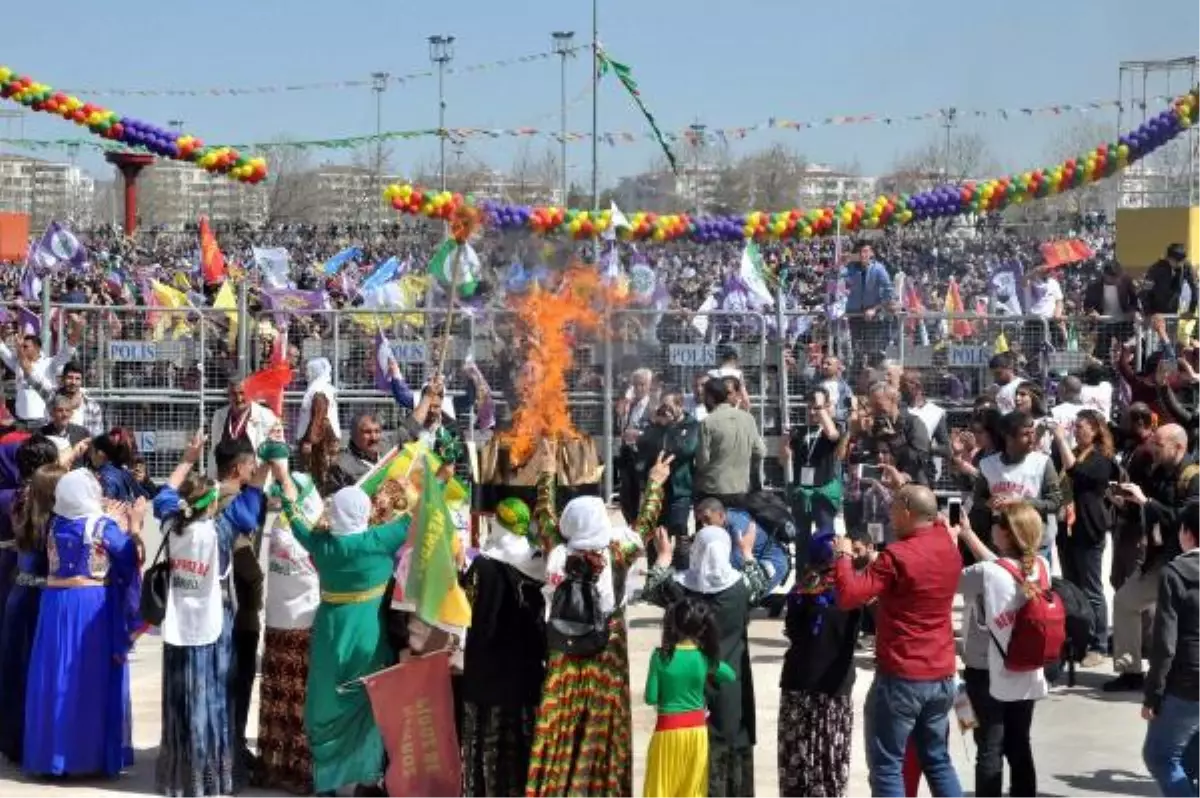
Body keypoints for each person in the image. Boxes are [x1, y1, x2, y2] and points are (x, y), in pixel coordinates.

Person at [524, 446, 665, 798]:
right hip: (607, 650)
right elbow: (645, 525)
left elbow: (543, 510)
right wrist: (655, 485)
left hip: (563, 650)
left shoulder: (556, 549)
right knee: (604, 725)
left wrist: (547, 471)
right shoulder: (619, 551)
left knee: (561, 723)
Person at [153, 430, 274, 798]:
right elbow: (250, 510)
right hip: (213, 626)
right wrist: (266, 466)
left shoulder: (173, 525)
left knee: (180, 699)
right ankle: (210, 779)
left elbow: (163, 495)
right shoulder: (220, 530)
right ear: (211, 503)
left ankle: (178, 775)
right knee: (213, 698)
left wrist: (188, 459)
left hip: (177, 625)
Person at [832, 484, 963, 798]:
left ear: (907, 510)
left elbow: (849, 596)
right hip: (941, 673)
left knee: (888, 764)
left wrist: (843, 558)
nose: (889, 515)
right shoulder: (948, 545)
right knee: (937, 760)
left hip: (902, 675)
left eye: (893, 508)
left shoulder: (897, 555)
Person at [282, 484, 409, 798]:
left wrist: (284, 495)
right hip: (368, 635)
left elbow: (296, 523)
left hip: (330, 636)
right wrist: (438, 477)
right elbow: (416, 517)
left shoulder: (322, 545)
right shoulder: (379, 540)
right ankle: (368, 780)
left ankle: (328, 783)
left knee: (326, 703)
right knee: (368, 702)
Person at [22, 468, 145, 777]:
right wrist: (133, 526)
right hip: (90, 607)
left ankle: (54, 755)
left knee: (58, 675)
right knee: (89, 678)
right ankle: (87, 756)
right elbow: (129, 557)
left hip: (54, 604)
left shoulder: (55, 523)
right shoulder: (102, 526)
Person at [642, 523, 765, 797]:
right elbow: (761, 583)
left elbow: (652, 587)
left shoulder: (682, 592)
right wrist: (746, 552)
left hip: (687, 694)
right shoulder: (741, 590)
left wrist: (663, 556)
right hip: (729, 686)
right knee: (729, 748)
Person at [956, 503, 1052, 798]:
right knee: (1019, 743)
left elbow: (950, 579)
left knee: (989, 747)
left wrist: (950, 540)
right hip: (1026, 668)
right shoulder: (1040, 567)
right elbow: (1003, 568)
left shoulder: (985, 573)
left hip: (987, 671)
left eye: (997, 522)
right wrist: (969, 535)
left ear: (1008, 534)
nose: (992, 525)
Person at [460, 498, 547, 798]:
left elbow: (466, 613)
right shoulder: (539, 564)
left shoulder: (482, 567)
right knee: (521, 748)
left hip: (486, 675)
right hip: (525, 675)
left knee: (489, 749)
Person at [1106, 423, 1200, 692]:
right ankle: (1130, 671)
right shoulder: (1158, 471)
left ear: (1178, 447)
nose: (1153, 449)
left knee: (1182, 621)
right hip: (1160, 559)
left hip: (1188, 564)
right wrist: (1126, 504)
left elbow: (1185, 520)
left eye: (1159, 445)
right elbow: (1148, 513)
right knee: (1125, 601)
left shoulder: (1194, 477)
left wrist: (1146, 502)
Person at [778, 532, 863, 798]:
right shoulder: (853, 591)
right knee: (829, 762)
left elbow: (793, 632)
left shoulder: (800, 590)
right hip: (835, 687)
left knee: (798, 762)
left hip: (799, 684)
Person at [258, 471, 324, 795]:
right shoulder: (286, 522)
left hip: (300, 622)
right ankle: (282, 766)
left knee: (295, 700)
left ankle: (293, 767)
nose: (282, 495)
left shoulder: (311, 522)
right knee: (286, 700)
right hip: (283, 622)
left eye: (288, 490)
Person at [0, 462, 65, 764]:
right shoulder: (57, 524)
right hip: (40, 600)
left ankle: (13, 740)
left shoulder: (24, 513)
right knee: (37, 672)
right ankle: (33, 741)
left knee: (16, 670)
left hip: (18, 598)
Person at [641, 597, 735, 798]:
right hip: (696, 732)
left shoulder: (660, 657)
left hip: (667, 730)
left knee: (661, 788)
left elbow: (650, 697)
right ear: (702, 628)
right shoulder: (704, 658)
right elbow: (730, 675)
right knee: (692, 790)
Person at [1142, 502, 1200, 795]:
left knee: (1159, 756)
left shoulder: (1175, 573)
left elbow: (1165, 643)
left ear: (1186, 533)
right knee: (1191, 758)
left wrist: (1153, 694)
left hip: (1187, 680)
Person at [1051, 410, 1117, 665]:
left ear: (1095, 430)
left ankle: (1098, 644)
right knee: (1073, 589)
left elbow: (1076, 472)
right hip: (1068, 531)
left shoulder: (1102, 458)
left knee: (1091, 590)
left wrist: (1060, 440)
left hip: (1089, 530)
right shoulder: (1074, 452)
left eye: (1081, 427)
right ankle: (1077, 641)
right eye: (1074, 426)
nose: (1076, 431)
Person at [971, 411, 1063, 563]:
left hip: (1035, 543)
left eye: (1033, 433)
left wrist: (1019, 501)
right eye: (1026, 434)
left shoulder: (1042, 462)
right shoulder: (988, 464)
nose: (1032, 439)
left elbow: (1055, 502)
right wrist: (988, 503)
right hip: (1001, 542)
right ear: (1009, 437)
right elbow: (978, 499)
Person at [636, 391, 699, 565]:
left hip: (679, 488)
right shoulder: (657, 426)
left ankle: (681, 573)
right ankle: (654, 572)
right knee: (655, 533)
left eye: (669, 406)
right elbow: (644, 446)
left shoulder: (692, 425)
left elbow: (686, 449)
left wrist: (669, 428)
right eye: (662, 406)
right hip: (658, 487)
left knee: (679, 531)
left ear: (679, 406)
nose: (665, 410)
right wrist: (655, 426)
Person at [784, 387, 844, 566]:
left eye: (816, 407)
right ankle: (802, 581)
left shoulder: (834, 427)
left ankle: (826, 581)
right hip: (802, 491)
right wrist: (784, 441)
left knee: (825, 537)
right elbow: (783, 458)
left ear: (827, 407)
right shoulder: (799, 430)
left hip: (822, 492)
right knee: (801, 538)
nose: (812, 412)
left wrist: (822, 411)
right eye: (809, 407)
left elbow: (833, 436)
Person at [694, 377, 766, 505]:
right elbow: (760, 452)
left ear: (710, 398)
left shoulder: (708, 422)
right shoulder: (748, 418)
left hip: (713, 491)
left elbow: (702, 462)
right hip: (742, 489)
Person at [0, 332, 77, 428]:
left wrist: (76, 329)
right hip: (21, 423)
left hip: (43, 423)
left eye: (25, 346)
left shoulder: (50, 363)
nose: (20, 349)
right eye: (20, 346)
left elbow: (67, 351)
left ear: (37, 348)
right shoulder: (18, 364)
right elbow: (2, 350)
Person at [209, 378, 280, 476]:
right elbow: (214, 449)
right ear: (229, 395)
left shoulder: (267, 416)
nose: (239, 398)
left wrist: (281, 479)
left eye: (242, 393)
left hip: (255, 478)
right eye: (234, 394)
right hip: (226, 479)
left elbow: (278, 452)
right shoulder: (219, 416)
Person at [617, 368, 655, 524]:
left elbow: (657, 432)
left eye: (642, 384)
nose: (639, 388)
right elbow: (621, 427)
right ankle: (630, 523)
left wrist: (639, 435)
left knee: (642, 497)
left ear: (649, 385)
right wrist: (621, 415)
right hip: (628, 456)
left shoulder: (654, 406)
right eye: (635, 385)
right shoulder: (630, 405)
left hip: (644, 458)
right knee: (626, 497)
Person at [1083, 261, 1140, 363]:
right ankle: (1105, 372)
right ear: (1105, 275)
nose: (1117, 280)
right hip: (1104, 323)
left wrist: (1133, 311)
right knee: (1103, 354)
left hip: (1123, 323)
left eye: (1118, 277)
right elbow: (1088, 305)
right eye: (1113, 277)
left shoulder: (1126, 281)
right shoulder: (1094, 286)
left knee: (1124, 351)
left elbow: (1134, 300)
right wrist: (1093, 312)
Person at [324, 412, 383, 495]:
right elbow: (333, 500)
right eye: (367, 432)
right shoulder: (340, 465)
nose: (374, 437)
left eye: (377, 431)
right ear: (354, 434)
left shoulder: (388, 450)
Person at [91, 428, 149, 502]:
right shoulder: (126, 472)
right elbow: (144, 496)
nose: (90, 456)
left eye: (92, 451)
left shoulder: (104, 477)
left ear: (100, 453)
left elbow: (106, 506)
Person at [296, 357, 341, 447]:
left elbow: (318, 417)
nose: (307, 374)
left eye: (309, 370)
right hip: (325, 437)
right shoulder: (324, 388)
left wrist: (309, 440)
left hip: (319, 439)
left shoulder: (318, 391)